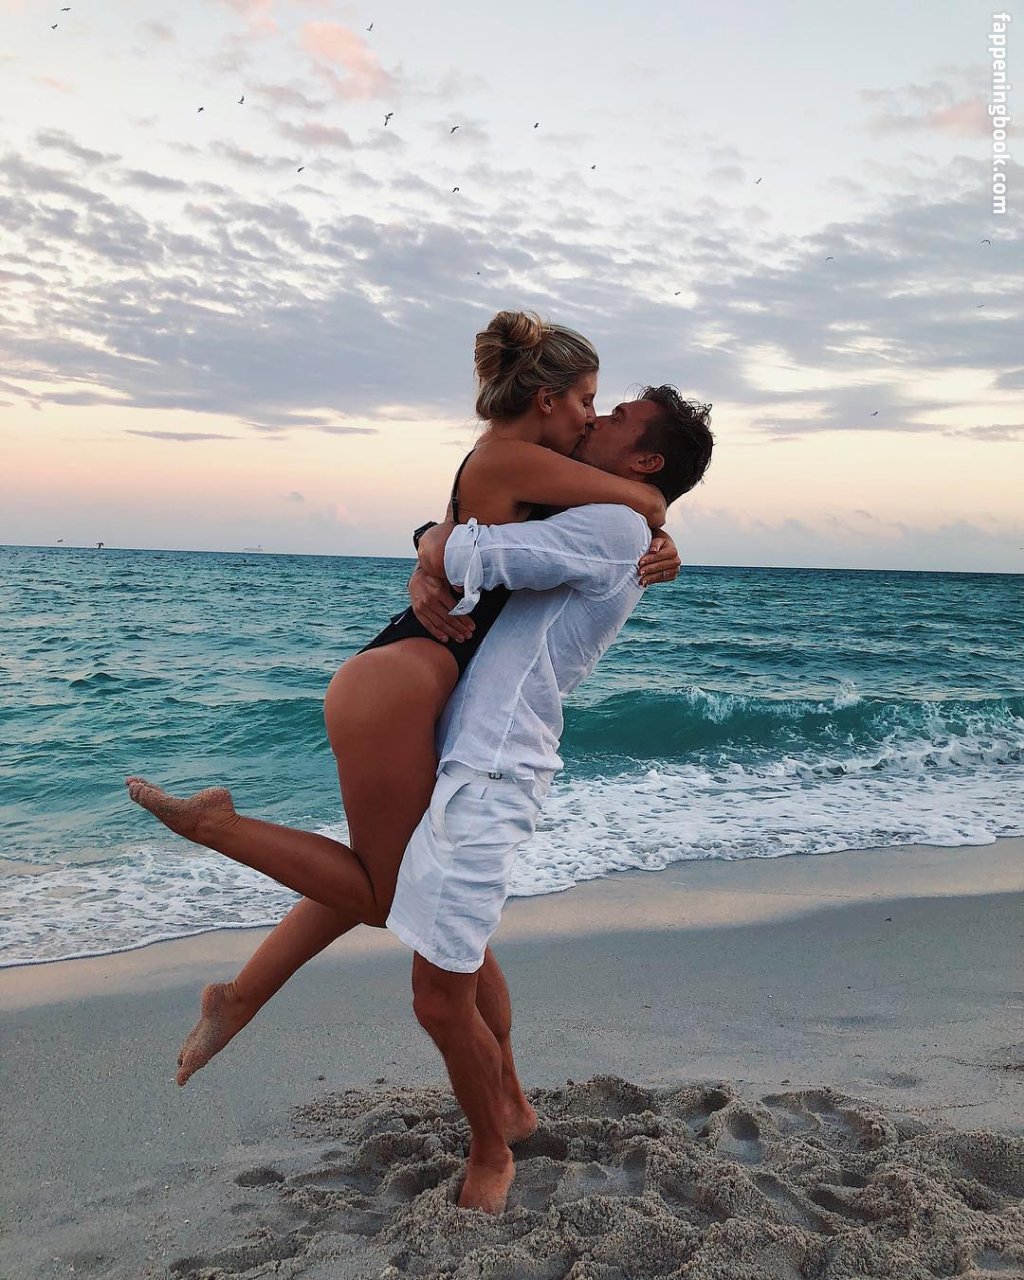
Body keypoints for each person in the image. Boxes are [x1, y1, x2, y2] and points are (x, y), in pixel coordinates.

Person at [127, 376, 713, 1214]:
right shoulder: (607, 515)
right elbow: (481, 527)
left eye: (616, 415)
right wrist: (432, 549)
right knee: (431, 928)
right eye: (592, 400)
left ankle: (491, 1152)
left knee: (434, 981)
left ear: (647, 459)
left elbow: (474, 551)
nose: (598, 415)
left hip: (493, 770)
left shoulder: (617, 525)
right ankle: (508, 1107)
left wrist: (442, 547)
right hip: (465, 750)